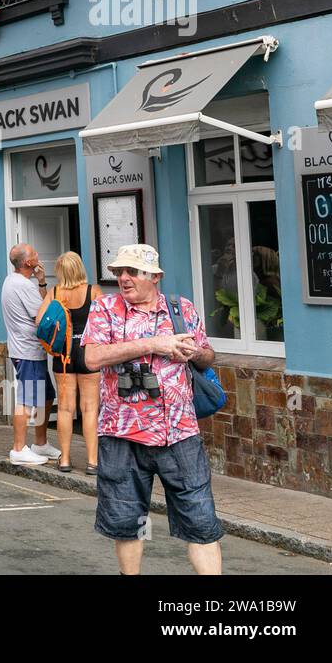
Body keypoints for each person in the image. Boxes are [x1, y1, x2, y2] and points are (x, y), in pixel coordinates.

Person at [83, 244, 222, 575]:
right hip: (122, 435)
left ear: (155, 276)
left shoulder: (180, 308)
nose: (124, 278)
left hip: (180, 434)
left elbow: (208, 355)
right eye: (119, 272)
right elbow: (92, 358)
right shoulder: (104, 309)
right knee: (128, 521)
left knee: (201, 521)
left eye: (133, 272)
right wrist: (155, 344)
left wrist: (193, 353)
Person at [40, 251, 102, 474]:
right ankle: (93, 461)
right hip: (88, 352)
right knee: (90, 409)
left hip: (63, 355)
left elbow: (40, 322)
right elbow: (106, 322)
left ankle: (65, 459)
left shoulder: (55, 293)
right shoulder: (93, 291)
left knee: (65, 409)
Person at [2, 244, 60, 466]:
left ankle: (40, 443)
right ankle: (18, 449)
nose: (38, 255)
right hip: (28, 351)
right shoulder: (23, 286)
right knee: (26, 400)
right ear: (27, 262)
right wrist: (45, 288)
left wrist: (41, 281)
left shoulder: (11, 280)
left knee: (46, 396)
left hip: (29, 350)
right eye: (34, 254)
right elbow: (44, 314)